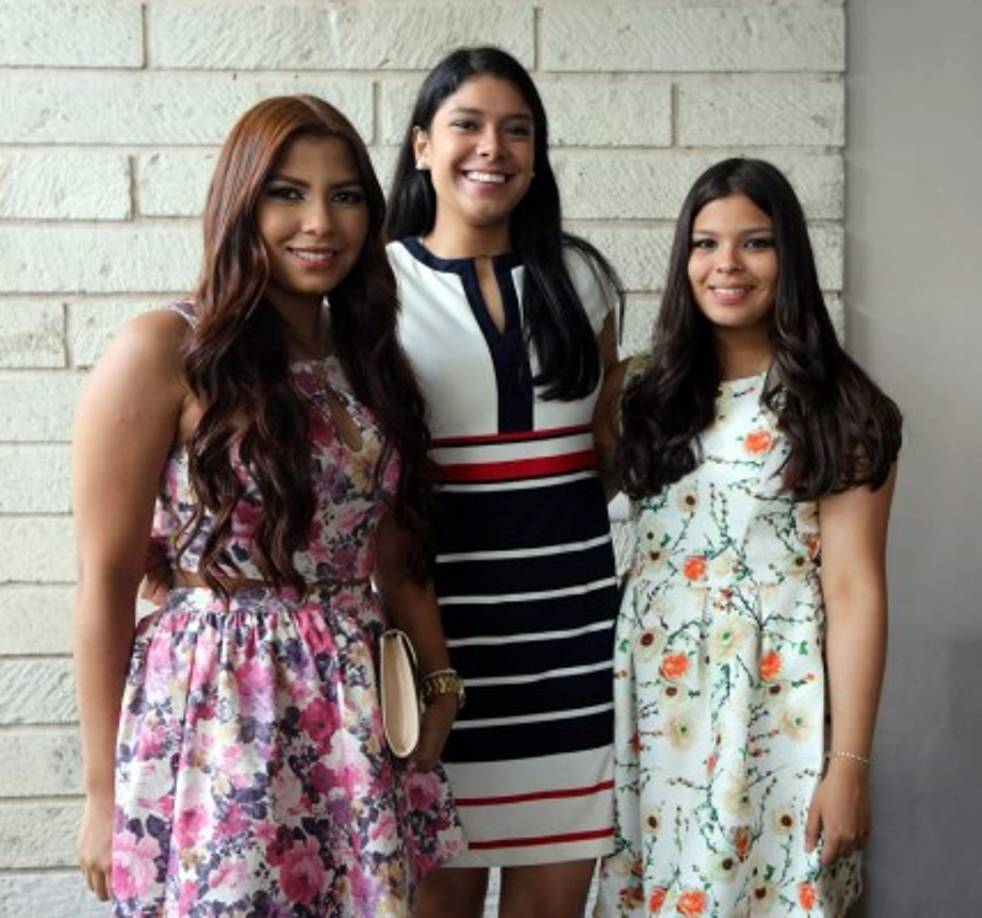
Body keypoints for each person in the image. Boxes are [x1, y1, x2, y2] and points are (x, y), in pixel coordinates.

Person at [72, 94, 463, 917]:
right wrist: (101, 795)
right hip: (217, 708)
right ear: (240, 202)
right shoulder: (164, 350)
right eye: (287, 192)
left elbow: (395, 550)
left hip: (353, 710)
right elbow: (104, 581)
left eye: (346, 195)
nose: (320, 221)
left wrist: (440, 685)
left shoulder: (372, 362)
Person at [593, 158, 902, 916]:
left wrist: (849, 766)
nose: (726, 264)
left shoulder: (840, 405)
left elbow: (856, 589)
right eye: (705, 244)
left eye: (754, 243)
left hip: (776, 708)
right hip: (652, 704)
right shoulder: (641, 391)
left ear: (789, 257)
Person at [384, 47, 624, 917]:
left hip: (573, 643)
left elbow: (600, 459)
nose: (494, 147)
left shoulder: (584, 277)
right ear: (420, 146)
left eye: (517, 130)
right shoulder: (375, 287)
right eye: (468, 125)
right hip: (439, 650)